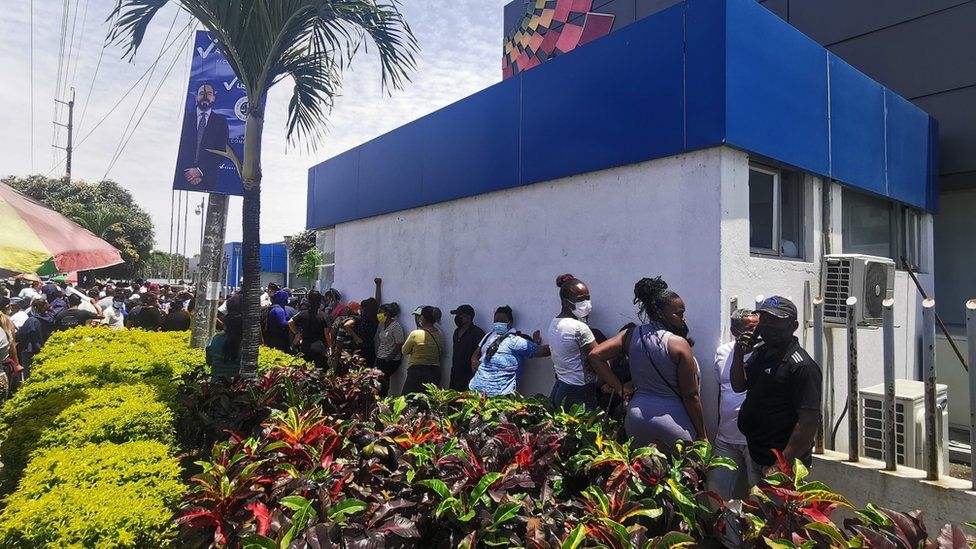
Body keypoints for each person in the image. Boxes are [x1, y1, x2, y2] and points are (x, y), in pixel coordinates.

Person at [589, 277, 706, 451]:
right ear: (659, 312)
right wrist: (702, 434)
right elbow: (690, 395)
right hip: (672, 423)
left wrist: (619, 388)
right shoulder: (678, 343)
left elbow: (595, 355)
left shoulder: (629, 335)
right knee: (677, 476)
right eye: (678, 313)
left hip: (636, 421)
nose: (683, 318)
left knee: (641, 475)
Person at [731, 296, 822, 477]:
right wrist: (739, 354)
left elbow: (808, 422)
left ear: (793, 326)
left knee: (779, 507)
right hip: (757, 456)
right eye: (765, 321)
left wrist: (782, 464)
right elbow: (739, 386)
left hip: (781, 466)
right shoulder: (762, 352)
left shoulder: (802, 366)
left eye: (776, 322)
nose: (768, 327)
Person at [710, 309, 760, 499]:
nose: (755, 334)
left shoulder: (764, 353)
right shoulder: (723, 352)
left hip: (754, 442)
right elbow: (721, 392)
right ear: (734, 331)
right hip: (726, 439)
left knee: (758, 498)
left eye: (757, 329)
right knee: (716, 492)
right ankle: (726, 530)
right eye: (749, 329)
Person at [548, 274, 611, 410]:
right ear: (566, 302)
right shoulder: (579, 327)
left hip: (561, 385)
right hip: (579, 391)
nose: (587, 303)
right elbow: (601, 360)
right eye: (581, 299)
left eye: (588, 298)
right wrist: (618, 387)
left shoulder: (555, 323)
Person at [469, 306, 548, 397]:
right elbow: (478, 350)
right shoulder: (490, 336)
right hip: (482, 390)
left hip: (495, 393)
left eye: (502, 321)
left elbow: (537, 350)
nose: (498, 323)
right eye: (496, 320)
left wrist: (538, 344)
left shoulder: (516, 340)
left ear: (510, 323)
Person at [176, 82, 230, 190]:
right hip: (182, 176)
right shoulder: (185, 119)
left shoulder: (221, 122)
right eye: (201, 94)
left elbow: (221, 152)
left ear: (213, 97)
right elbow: (180, 147)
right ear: (196, 97)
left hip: (207, 180)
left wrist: (199, 171)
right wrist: (189, 173)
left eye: (209, 94)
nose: (205, 97)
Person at [401, 306, 445, 395]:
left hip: (417, 372)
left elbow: (404, 351)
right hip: (435, 371)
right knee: (428, 400)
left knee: (408, 399)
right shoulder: (440, 333)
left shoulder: (415, 334)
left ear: (423, 318)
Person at [288, 290, 330, 370]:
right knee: (321, 373)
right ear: (320, 301)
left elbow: (290, 322)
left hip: (306, 347)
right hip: (320, 348)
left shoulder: (302, 313)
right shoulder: (324, 315)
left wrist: (297, 333)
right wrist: (329, 347)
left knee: (305, 373)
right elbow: (327, 334)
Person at [449, 304, 486, 391]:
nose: (457, 318)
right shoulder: (457, 331)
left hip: (469, 376)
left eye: (460, 316)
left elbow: (480, 355)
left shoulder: (478, 333)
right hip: (455, 374)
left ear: (468, 317)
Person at [15, 298, 56, 378]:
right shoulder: (52, 319)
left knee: (30, 376)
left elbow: (20, 336)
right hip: (48, 350)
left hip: (31, 351)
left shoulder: (31, 321)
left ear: (35, 308)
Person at [207, 295, 242, 380]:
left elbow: (209, 362)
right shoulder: (247, 344)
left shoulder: (216, 339)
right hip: (238, 387)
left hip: (215, 385)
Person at [374, 302, 406, 397]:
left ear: (387, 314)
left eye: (380, 312)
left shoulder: (395, 326)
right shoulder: (384, 326)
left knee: (383, 381)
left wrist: (389, 358)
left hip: (390, 360)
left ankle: (382, 401)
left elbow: (399, 344)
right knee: (378, 381)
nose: (378, 315)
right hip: (381, 357)